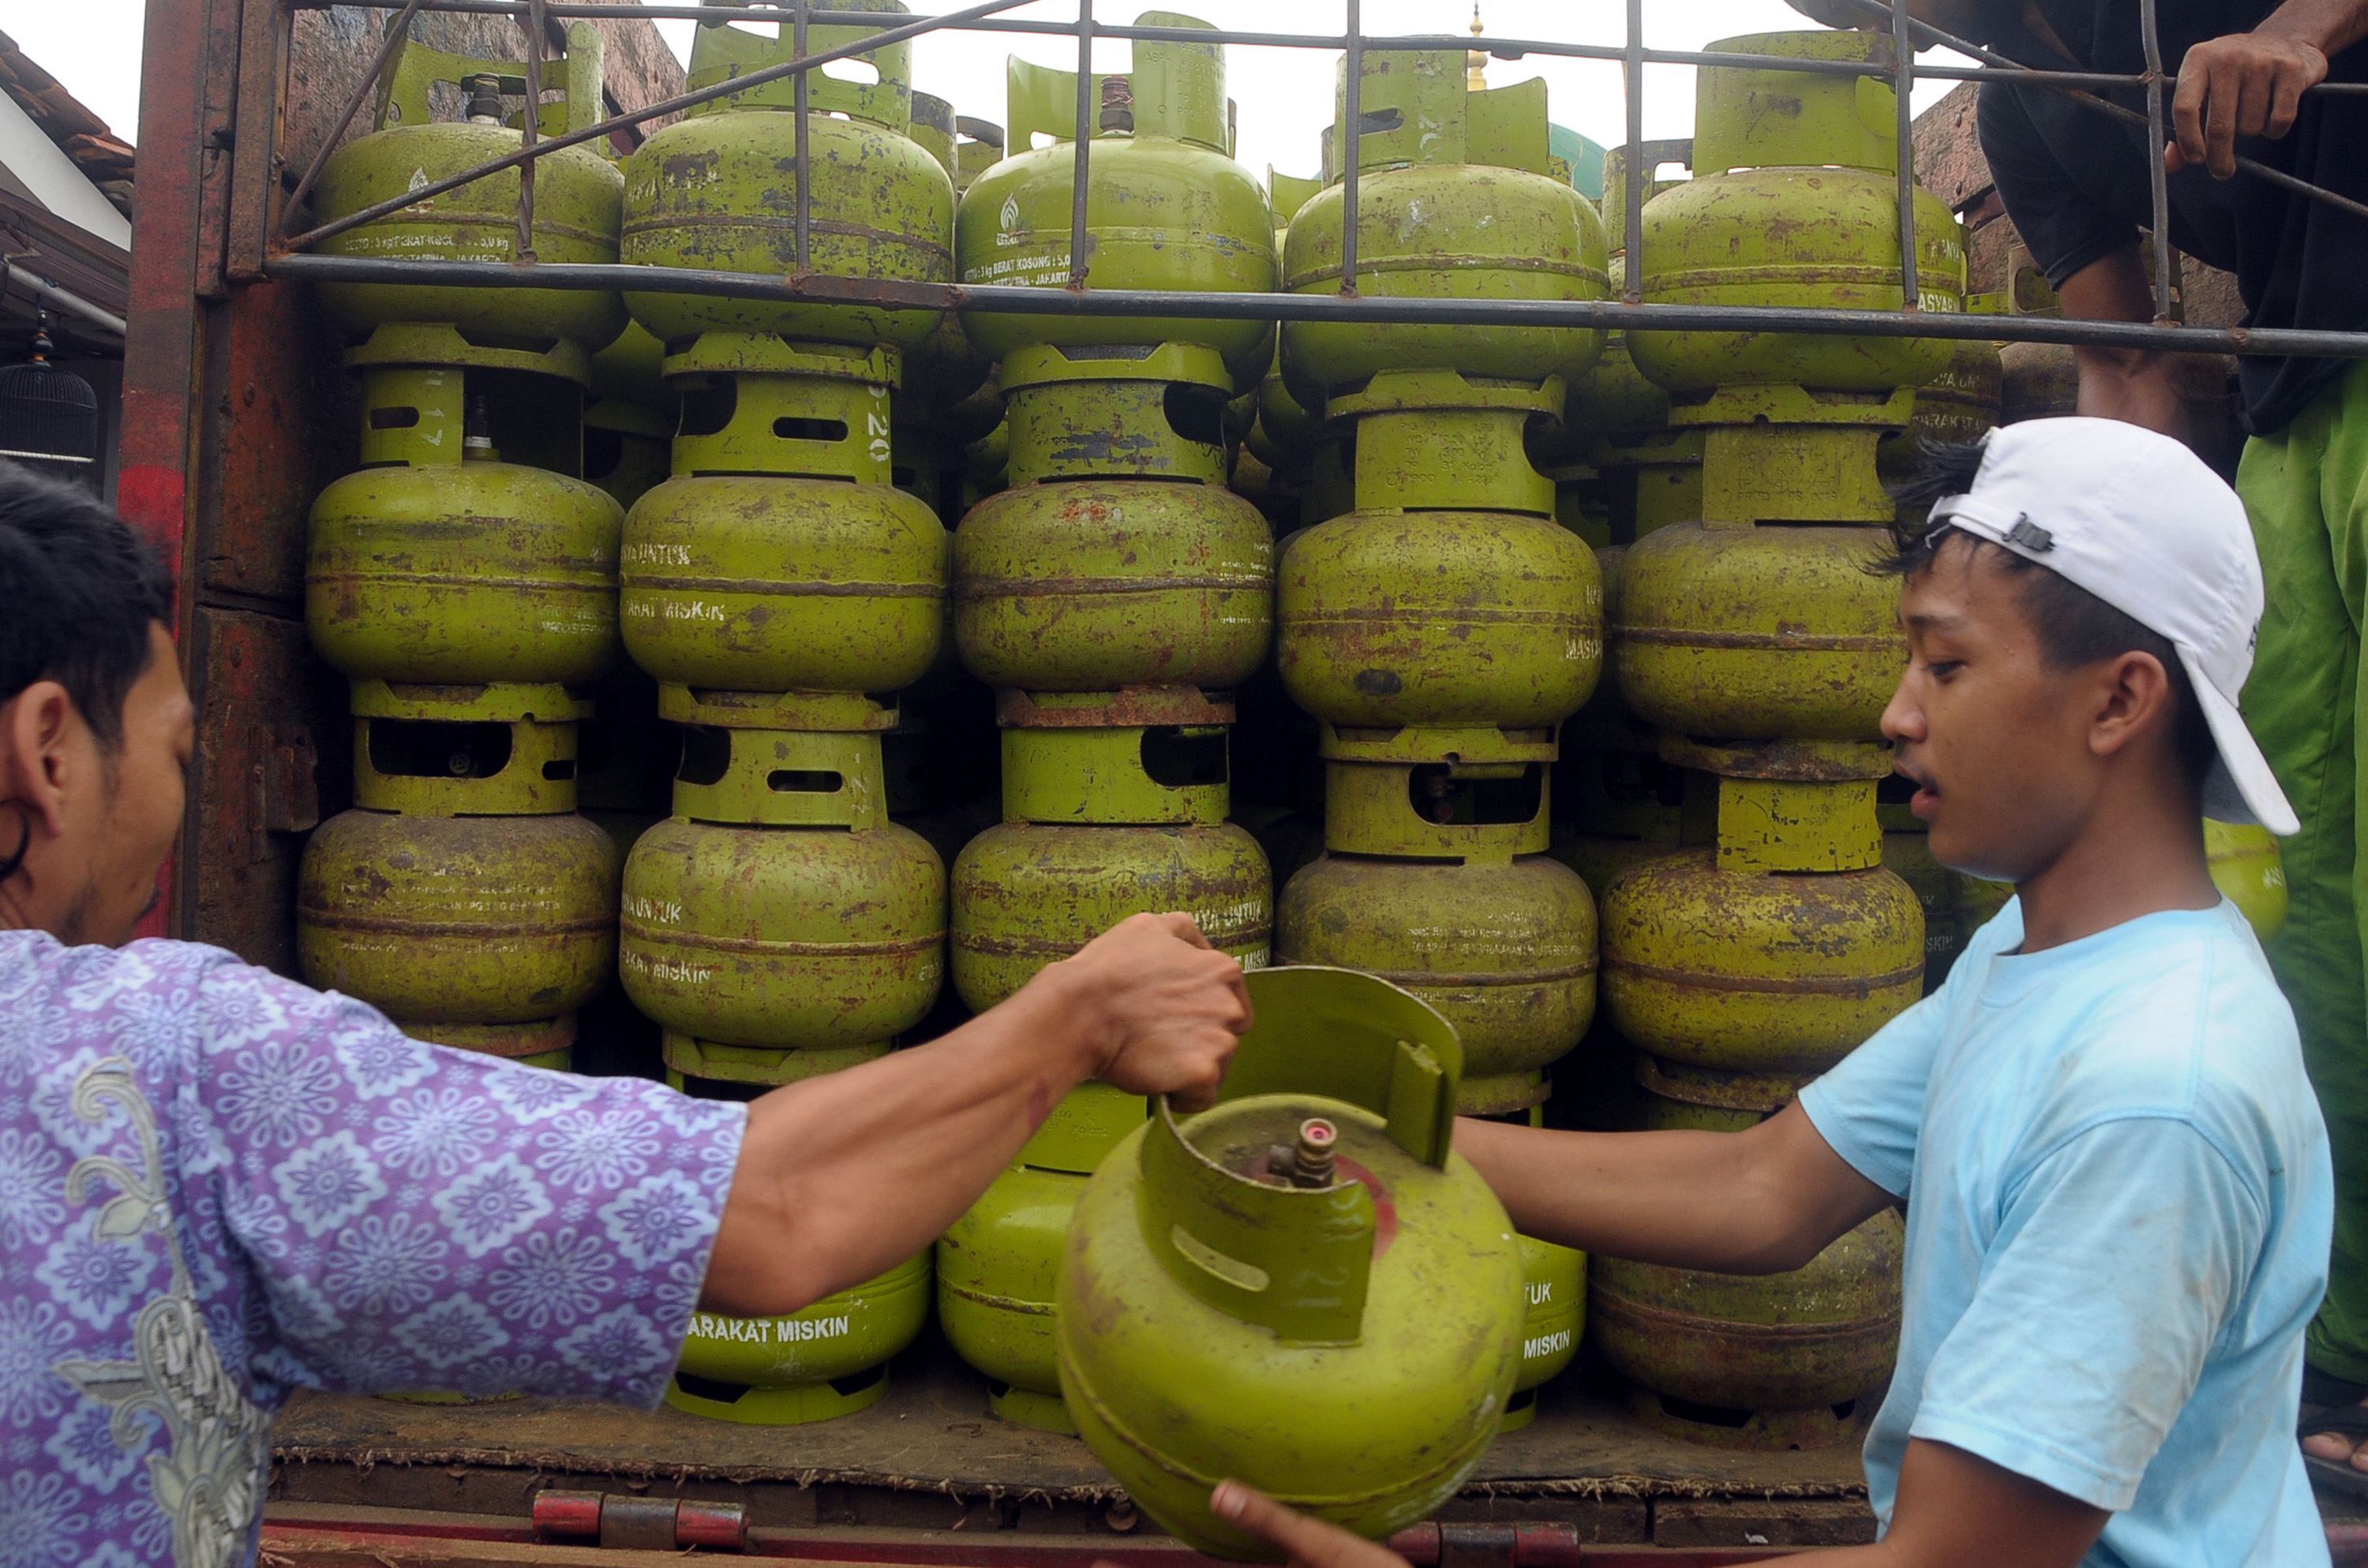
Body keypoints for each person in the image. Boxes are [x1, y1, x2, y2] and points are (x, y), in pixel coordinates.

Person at [0, 463, 1254, 1566]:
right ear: (50, 750)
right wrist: (1078, 1015)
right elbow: (771, 1217)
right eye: (177, 751)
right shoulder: (164, 1066)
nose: (175, 798)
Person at [1214, 422, 2336, 1568]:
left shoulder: (2152, 1097)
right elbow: (1763, 1188)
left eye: (1946, 667)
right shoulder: (2043, 952)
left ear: (2120, 701)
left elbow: (1941, 1564)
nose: (1897, 714)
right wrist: (1360, 1140)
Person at [1792, 0, 2368, 1472]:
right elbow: (2125, 364)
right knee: (2310, 879)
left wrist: (2299, 29)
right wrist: (2113, 568)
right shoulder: (2018, 109)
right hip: (2297, 398)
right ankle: (2347, 1349)